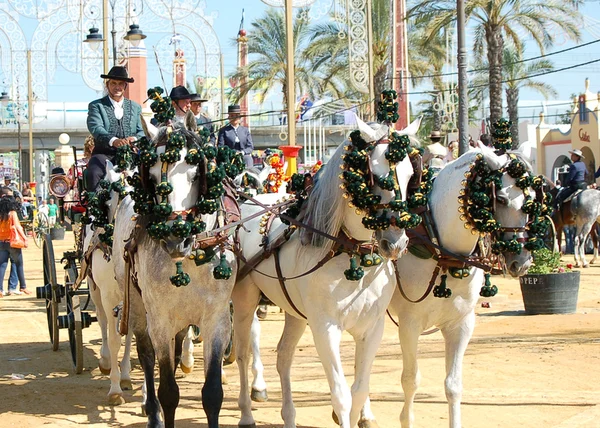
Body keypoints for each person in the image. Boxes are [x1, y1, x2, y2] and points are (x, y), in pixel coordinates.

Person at [86, 66, 144, 192]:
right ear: (107, 85)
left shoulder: (135, 107)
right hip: (104, 155)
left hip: (132, 155)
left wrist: (133, 139)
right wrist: (114, 140)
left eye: (120, 84)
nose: (117, 87)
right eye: (113, 83)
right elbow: (96, 127)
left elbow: (142, 131)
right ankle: (94, 209)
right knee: (93, 172)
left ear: (125, 86)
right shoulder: (96, 106)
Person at [0, 187, 30, 297]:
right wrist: (25, 239)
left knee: (2, 266)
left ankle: (0, 289)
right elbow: (17, 227)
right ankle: (22, 287)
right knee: (19, 264)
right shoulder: (12, 213)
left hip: (1, 242)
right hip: (12, 242)